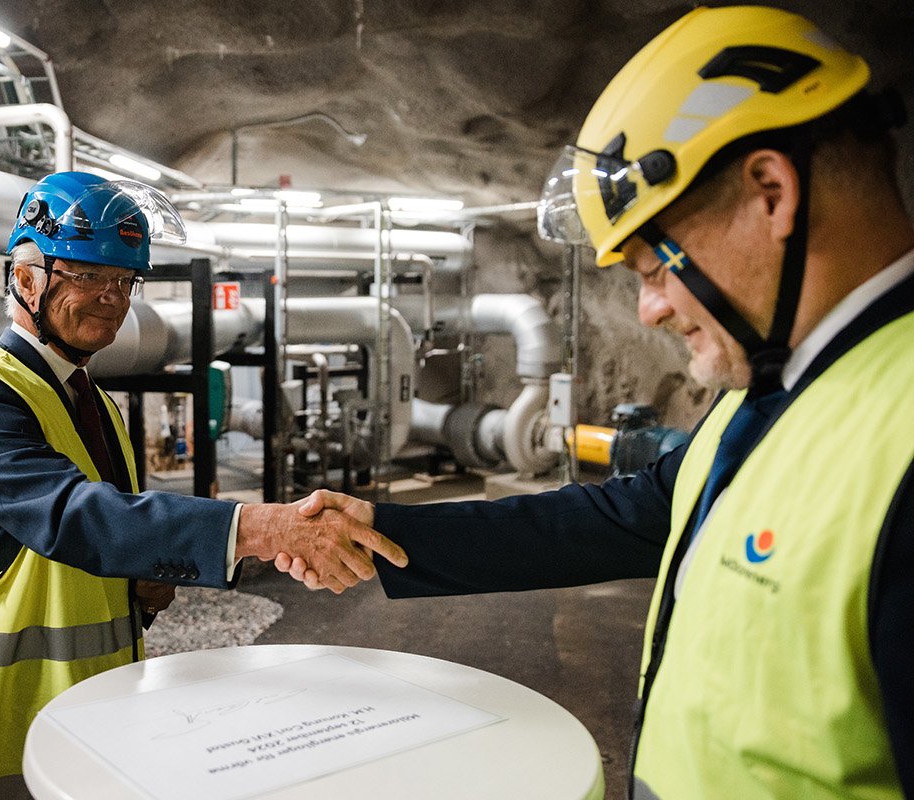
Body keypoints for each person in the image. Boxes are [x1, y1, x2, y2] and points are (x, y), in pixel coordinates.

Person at [285, 6, 913, 797]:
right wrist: (389, 531)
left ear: (770, 191)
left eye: (654, 266)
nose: (650, 309)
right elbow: (622, 517)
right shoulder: (774, 385)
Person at [0, 171, 407, 799]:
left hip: (81, 727)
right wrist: (265, 526)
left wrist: (141, 578)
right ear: (24, 279)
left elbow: (105, 535)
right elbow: (74, 516)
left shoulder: (95, 403)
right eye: (87, 277)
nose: (112, 298)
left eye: (123, 281)